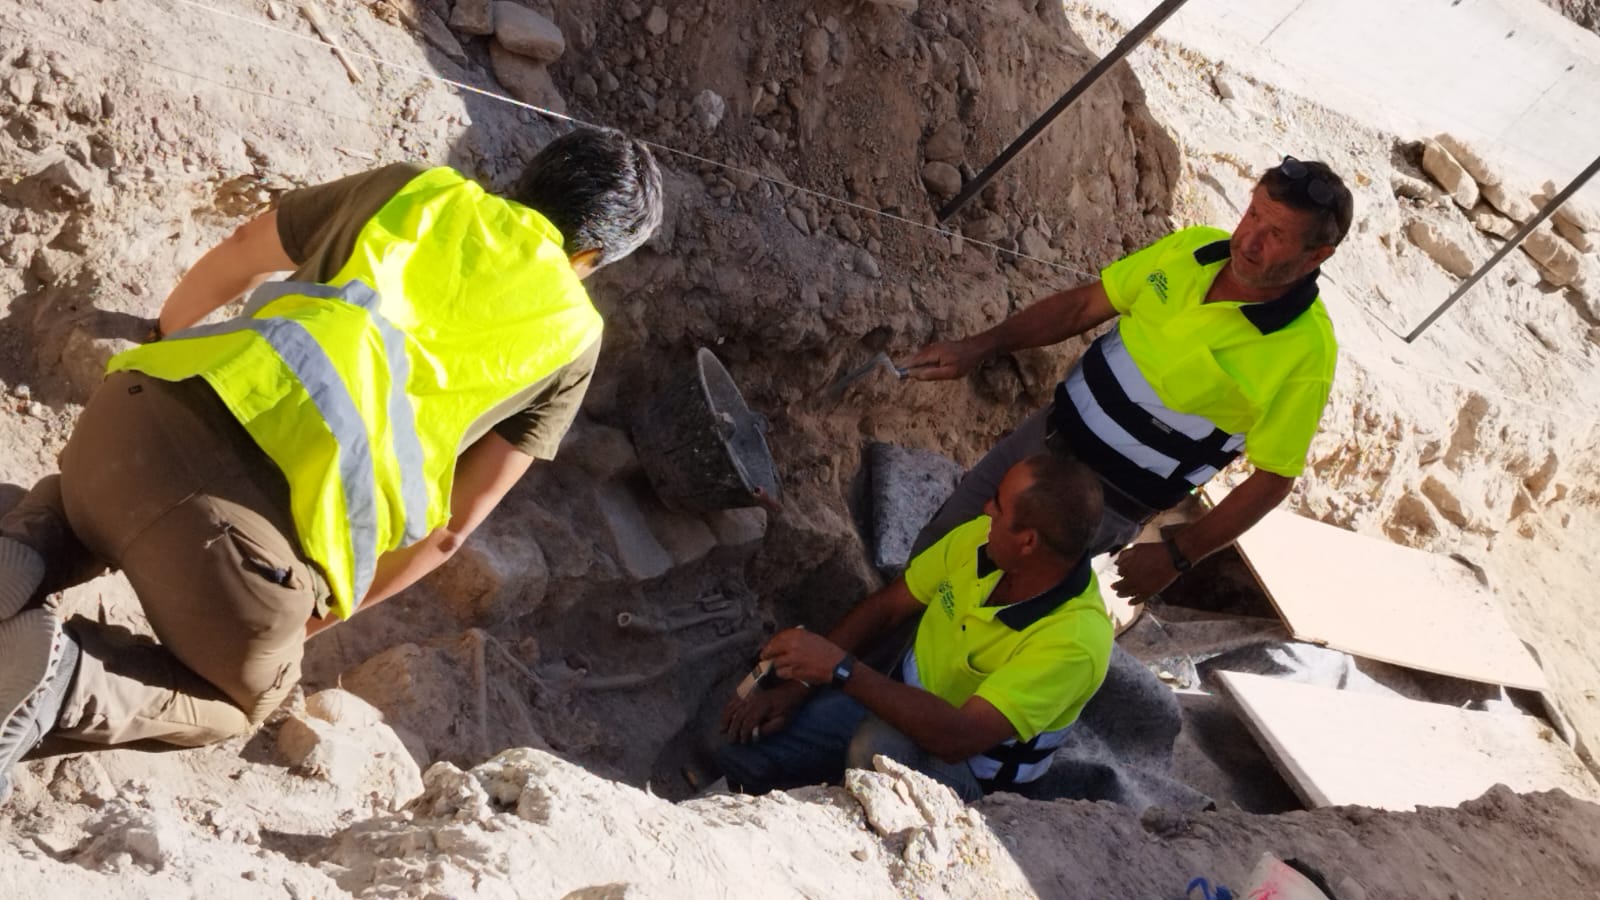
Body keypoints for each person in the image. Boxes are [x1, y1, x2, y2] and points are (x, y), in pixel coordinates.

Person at [0, 127, 663, 800]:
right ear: (590, 256)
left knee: (96, 504)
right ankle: (60, 679)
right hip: (237, 558)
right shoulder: (574, 338)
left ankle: (31, 541)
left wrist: (165, 335)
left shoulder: (419, 189)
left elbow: (243, 248)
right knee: (240, 702)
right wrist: (315, 621)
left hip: (124, 429)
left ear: (531, 179)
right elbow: (451, 531)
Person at [905, 157, 1351, 601]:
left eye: (1276, 235)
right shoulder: (1193, 248)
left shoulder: (1306, 351)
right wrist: (979, 346)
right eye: (1252, 214)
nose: (1248, 241)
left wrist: (1179, 555)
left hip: (1100, 506)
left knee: (982, 603)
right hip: (1039, 443)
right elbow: (1084, 306)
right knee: (929, 559)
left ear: (1317, 255)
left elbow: (1273, 479)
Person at [717, 454, 1113, 802]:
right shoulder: (983, 541)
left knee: (877, 749)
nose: (987, 508)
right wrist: (797, 688)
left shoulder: (1074, 642)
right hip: (889, 703)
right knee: (731, 739)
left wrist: (838, 669)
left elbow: (957, 738)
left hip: (964, 773)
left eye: (999, 506)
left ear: (1027, 542)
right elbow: (889, 608)